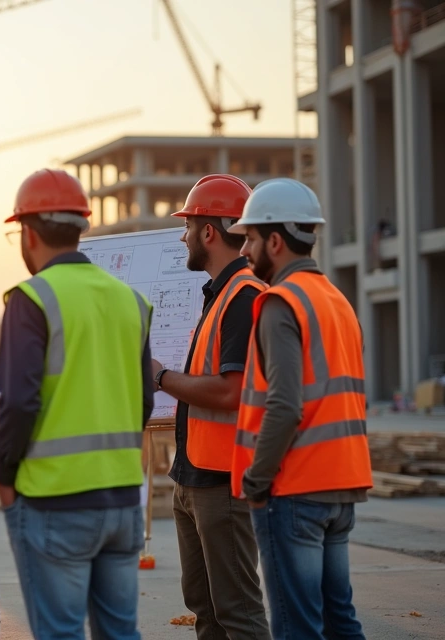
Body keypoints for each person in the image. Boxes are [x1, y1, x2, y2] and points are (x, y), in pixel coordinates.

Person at [0, 169, 153, 640]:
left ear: (27, 231)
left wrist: (3, 473)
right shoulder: (131, 301)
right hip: (124, 498)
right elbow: (143, 402)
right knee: (120, 633)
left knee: (61, 633)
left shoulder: (32, 299)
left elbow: (20, 404)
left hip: (54, 501)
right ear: (80, 226)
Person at [227, 177, 372, 640]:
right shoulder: (337, 301)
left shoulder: (279, 302)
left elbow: (285, 406)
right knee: (339, 619)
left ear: (275, 239)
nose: (245, 251)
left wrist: (256, 479)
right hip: (341, 484)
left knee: (296, 626)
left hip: (294, 489)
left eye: (249, 238)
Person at [150, 175, 270, 639]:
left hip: (223, 482)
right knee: (205, 609)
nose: (182, 236)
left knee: (237, 612)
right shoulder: (219, 295)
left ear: (209, 232)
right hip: (194, 475)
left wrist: (160, 377)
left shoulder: (243, 296)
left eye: (188, 225)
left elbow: (229, 391)